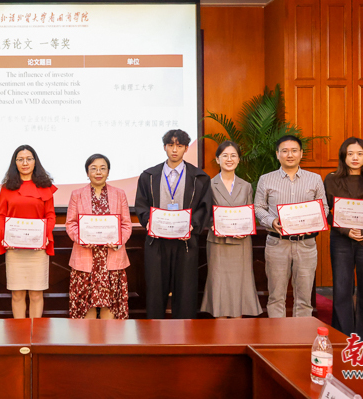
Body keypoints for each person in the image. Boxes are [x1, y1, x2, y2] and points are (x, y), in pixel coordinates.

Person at [135, 129, 212, 319]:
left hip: (185, 242)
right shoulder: (149, 176)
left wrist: (193, 224)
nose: (175, 150)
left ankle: (184, 333)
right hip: (157, 242)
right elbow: (141, 204)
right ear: (164, 147)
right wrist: (148, 221)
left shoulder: (199, 177)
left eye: (179, 145)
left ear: (186, 148)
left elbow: (205, 207)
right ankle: (154, 331)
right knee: (155, 290)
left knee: (185, 291)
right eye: (171, 145)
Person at [324, 137, 363, 349]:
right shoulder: (331, 180)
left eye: (360, 154)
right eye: (350, 153)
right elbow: (326, 211)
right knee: (342, 289)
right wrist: (346, 230)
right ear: (343, 156)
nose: (355, 157)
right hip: (341, 240)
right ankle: (343, 338)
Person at [254, 135, 328, 318]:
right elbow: (258, 208)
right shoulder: (266, 179)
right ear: (277, 154)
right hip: (277, 243)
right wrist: (271, 221)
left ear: (301, 153)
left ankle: (301, 334)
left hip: (306, 244)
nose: (290, 155)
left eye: (294, 150)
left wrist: (315, 221)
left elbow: (324, 207)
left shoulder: (314, 179)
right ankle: (277, 334)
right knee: (276, 297)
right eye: (285, 151)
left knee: (304, 298)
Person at [65, 154, 132, 319]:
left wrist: (118, 242)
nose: (98, 172)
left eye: (103, 168)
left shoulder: (119, 194)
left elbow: (126, 225)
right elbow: (70, 224)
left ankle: (108, 337)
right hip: (85, 258)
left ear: (108, 172)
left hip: (112, 259)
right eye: (93, 168)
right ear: (87, 172)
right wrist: (81, 239)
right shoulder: (77, 194)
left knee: (110, 309)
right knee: (86, 308)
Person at [201, 141, 262, 319]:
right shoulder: (208, 184)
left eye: (233, 155)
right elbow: (204, 212)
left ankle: (238, 329)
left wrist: (246, 227)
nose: (229, 159)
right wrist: (213, 224)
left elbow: (249, 213)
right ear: (217, 159)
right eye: (225, 156)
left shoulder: (246, 186)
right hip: (218, 243)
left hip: (241, 243)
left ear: (239, 159)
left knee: (239, 287)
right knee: (219, 286)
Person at [0, 145, 57, 318]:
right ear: (15, 163)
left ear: (35, 162)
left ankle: (35, 331)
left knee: (36, 294)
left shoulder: (45, 187)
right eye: (20, 159)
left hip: (38, 249)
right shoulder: (7, 187)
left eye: (29, 159)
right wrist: (7, 236)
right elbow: (1, 216)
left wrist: (45, 236)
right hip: (15, 249)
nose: (25, 163)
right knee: (17, 294)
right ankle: (20, 332)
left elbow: (50, 216)